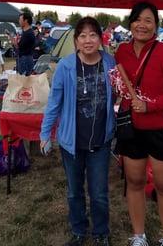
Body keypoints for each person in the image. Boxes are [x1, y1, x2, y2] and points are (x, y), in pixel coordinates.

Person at [114, 1, 163, 246]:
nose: (142, 25)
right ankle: (139, 236)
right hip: (132, 129)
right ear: (130, 23)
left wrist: (150, 105)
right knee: (134, 183)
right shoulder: (122, 52)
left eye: (148, 20)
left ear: (156, 25)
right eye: (137, 19)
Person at [40, 17, 116, 246]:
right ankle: (78, 231)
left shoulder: (110, 62)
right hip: (71, 142)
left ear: (100, 39)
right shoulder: (66, 65)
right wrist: (45, 134)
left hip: (101, 141)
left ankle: (101, 232)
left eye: (93, 35)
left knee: (99, 193)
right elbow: (54, 102)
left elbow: (119, 96)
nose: (88, 40)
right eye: (82, 35)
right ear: (75, 41)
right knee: (74, 192)